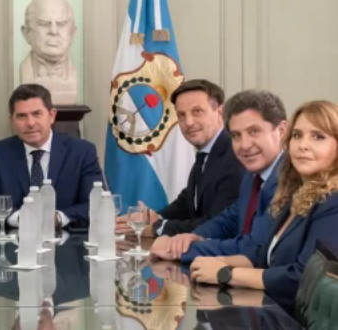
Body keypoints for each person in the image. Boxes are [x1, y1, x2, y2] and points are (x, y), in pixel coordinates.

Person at [189, 100, 338, 312]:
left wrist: (226, 274)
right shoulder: (296, 195)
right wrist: (217, 261)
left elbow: (305, 279)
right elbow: (264, 256)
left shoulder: (333, 201)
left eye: (318, 137)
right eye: (297, 135)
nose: (303, 145)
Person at [152, 90, 287, 262]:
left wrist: (182, 250)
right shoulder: (252, 176)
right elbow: (231, 218)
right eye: (236, 135)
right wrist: (194, 236)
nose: (244, 145)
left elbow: (254, 247)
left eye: (254, 131)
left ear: (281, 130)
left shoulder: (290, 180)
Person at [116, 79, 244, 237]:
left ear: (219, 113)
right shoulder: (206, 153)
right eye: (181, 115)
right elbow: (188, 202)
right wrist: (154, 218)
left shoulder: (235, 155)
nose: (188, 122)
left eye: (197, 111)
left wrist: (158, 227)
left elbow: (217, 224)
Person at [0, 84, 103, 229]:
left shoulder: (82, 152)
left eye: (37, 114)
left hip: (68, 238)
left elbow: (96, 203)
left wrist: (57, 218)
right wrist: (22, 218)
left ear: (52, 115)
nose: (30, 123)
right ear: (12, 121)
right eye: (21, 116)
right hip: (15, 238)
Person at [19, 0, 78, 105]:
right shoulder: (26, 74)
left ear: (72, 33)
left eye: (61, 24)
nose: (54, 31)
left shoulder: (73, 74)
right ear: (27, 33)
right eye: (44, 24)